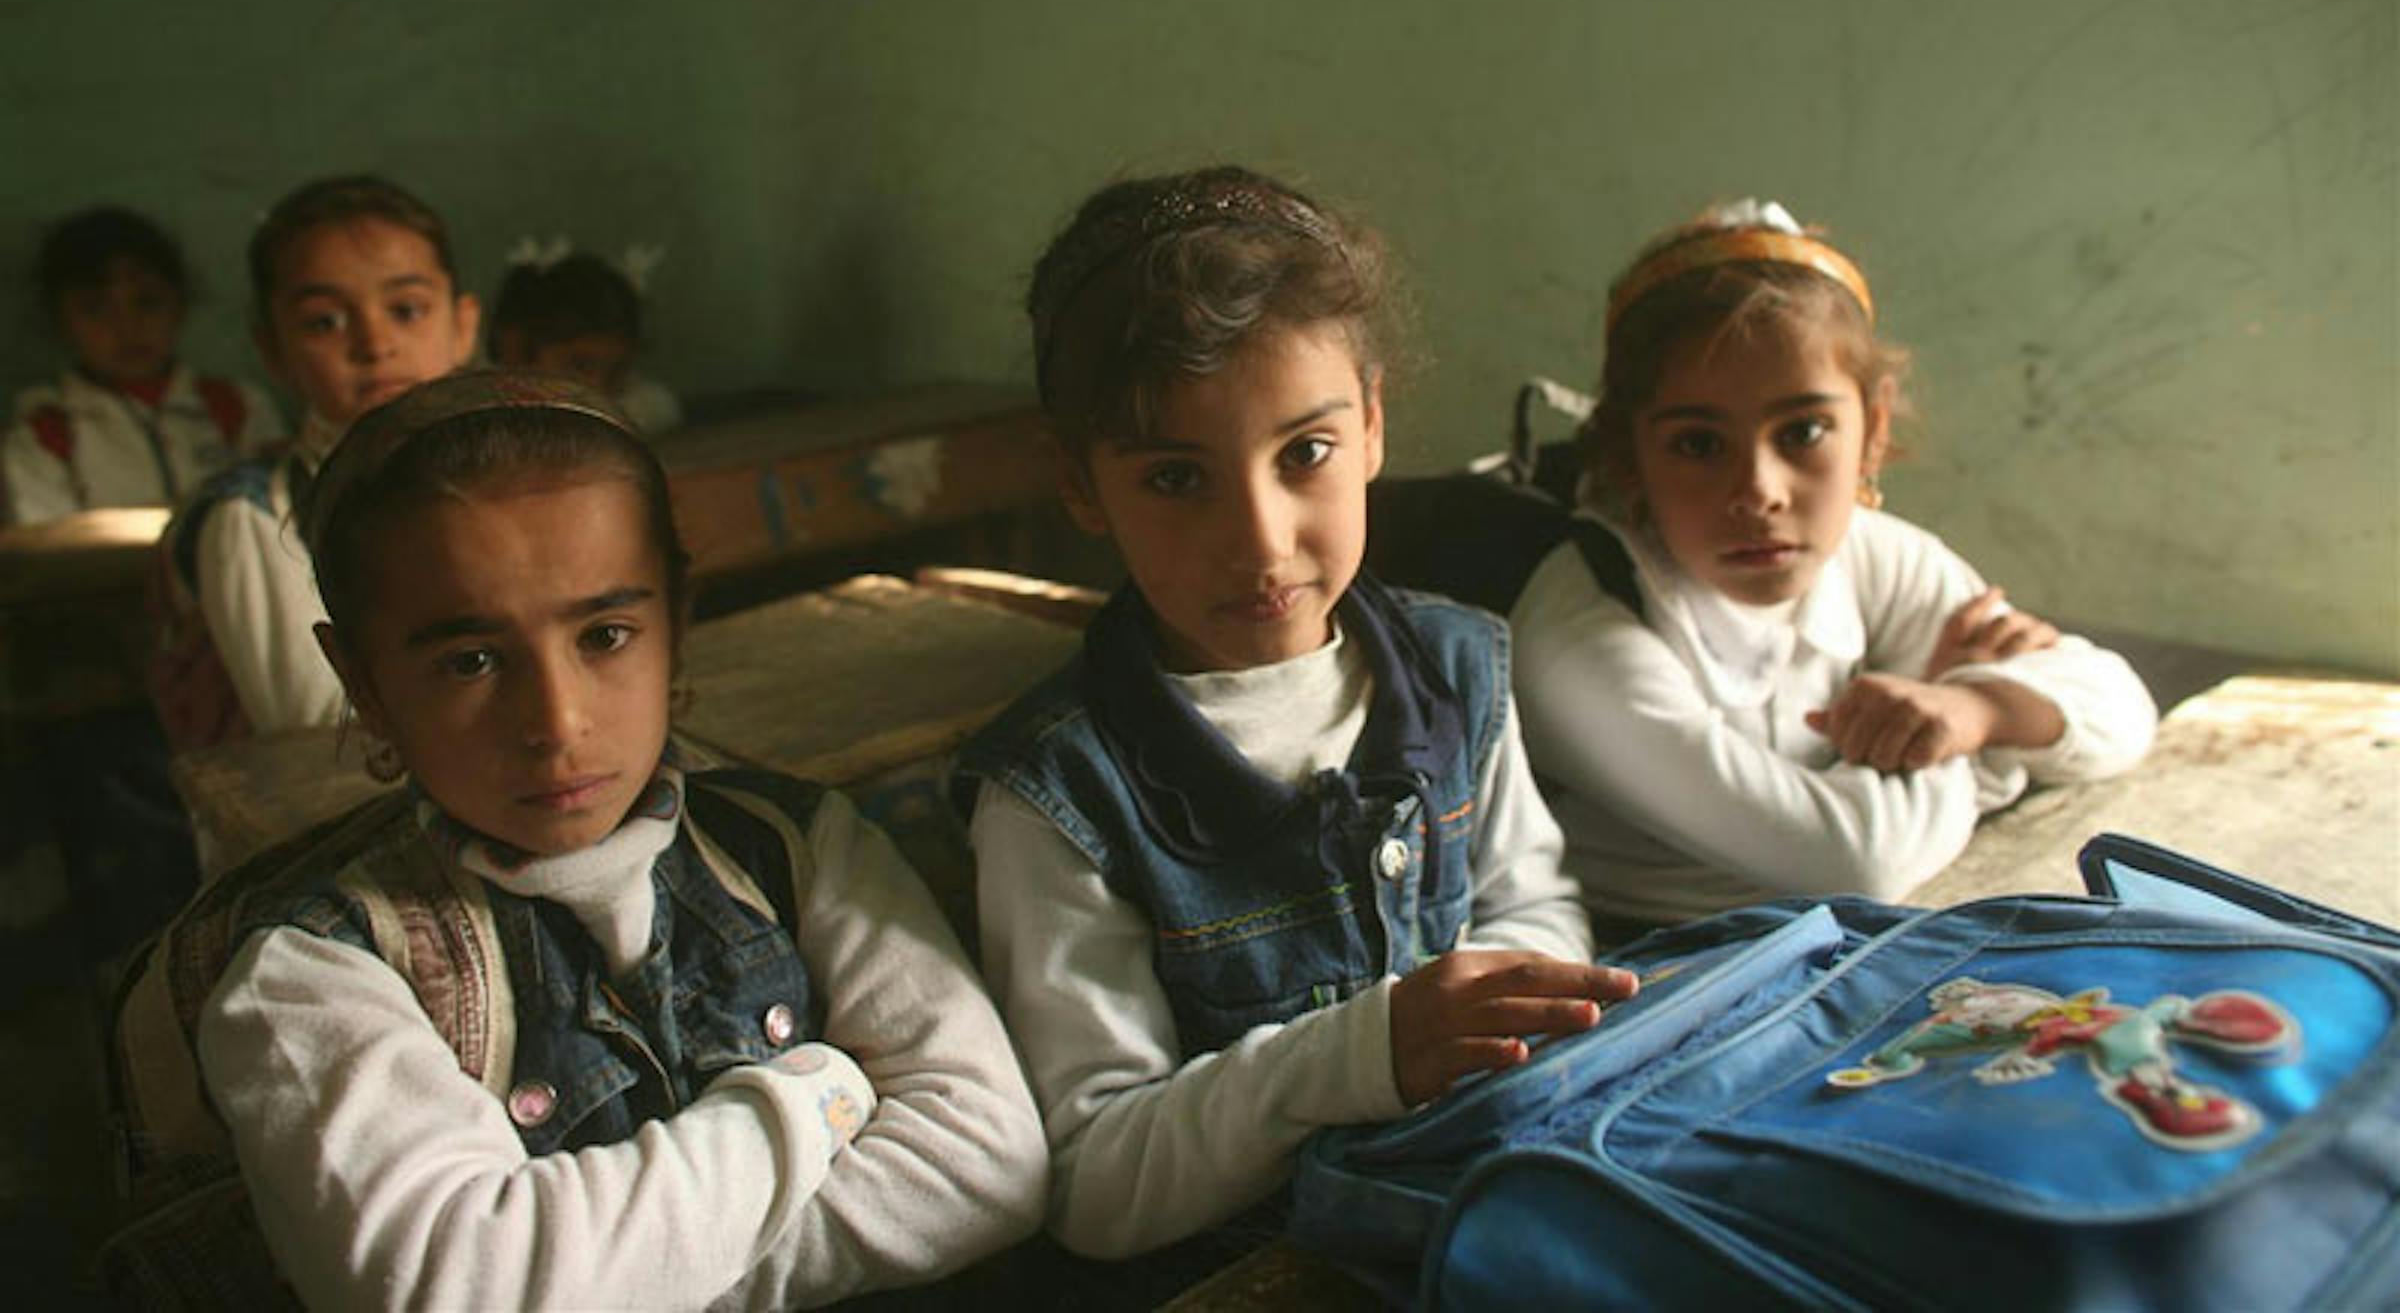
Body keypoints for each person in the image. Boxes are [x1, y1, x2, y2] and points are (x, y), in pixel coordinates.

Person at [111, 370, 1046, 1308]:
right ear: (361, 681)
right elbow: (457, 1288)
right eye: (471, 660)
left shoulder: (798, 846)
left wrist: (600, 1275)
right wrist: (814, 1098)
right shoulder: (307, 974)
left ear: (675, 622)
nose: (555, 721)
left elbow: (987, 1166)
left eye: (604, 634)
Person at [952, 166, 1629, 1272]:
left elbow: (1534, 898)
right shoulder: (1057, 797)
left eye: (1304, 454)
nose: (1261, 543)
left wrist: (1498, 1011)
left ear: (1370, 426)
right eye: (1177, 479)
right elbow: (1096, 1180)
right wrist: (1367, 1053)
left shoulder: (1461, 666)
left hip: (1488, 1207)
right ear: (1082, 488)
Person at [1510, 199, 2158, 932]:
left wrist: (1972, 708)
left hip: (1863, 937)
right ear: (1630, 449)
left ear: (1873, 429)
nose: (1759, 491)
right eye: (1697, 443)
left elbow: (2124, 711)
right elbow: (1858, 859)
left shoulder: (1869, 550)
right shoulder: (1581, 627)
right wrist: (1986, 741)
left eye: (1804, 431)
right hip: (1655, 973)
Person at [151, 175, 480, 747]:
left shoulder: (495, 479)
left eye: (406, 309)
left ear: (463, 326)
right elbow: (321, 739)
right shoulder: (253, 518)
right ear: (273, 351)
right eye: (324, 321)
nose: (375, 344)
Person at [3, 207, 281, 523]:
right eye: (94, 309)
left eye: (147, 303)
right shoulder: (45, 430)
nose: (126, 326)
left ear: (179, 306)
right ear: (60, 321)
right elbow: (46, 545)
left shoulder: (237, 406)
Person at [491, 245, 682, 434]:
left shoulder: (642, 411)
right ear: (515, 350)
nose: (599, 388)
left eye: (616, 372)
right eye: (579, 366)